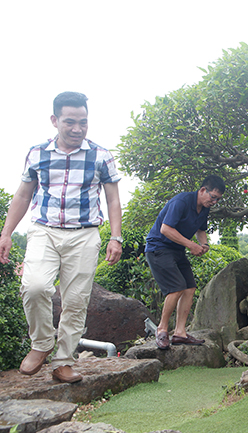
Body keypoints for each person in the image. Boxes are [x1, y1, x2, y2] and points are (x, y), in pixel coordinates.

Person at [0, 92, 123, 383]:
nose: (77, 128)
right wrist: (5, 233)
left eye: (83, 122)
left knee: (76, 300)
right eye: (70, 122)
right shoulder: (37, 153)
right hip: (44, 230)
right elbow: (23, 194)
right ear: (55, 120)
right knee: (35, 286)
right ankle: (41, 344)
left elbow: (113, 200)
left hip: (84, 234)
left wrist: (115, 237)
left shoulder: (101, 155)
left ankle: (64, 360)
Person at [145, 175, 225, 350]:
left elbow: (201, 230)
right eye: (213, 197)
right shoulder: (181, 201)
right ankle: (162, 330)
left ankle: (180, 333)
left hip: (177, 250)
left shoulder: (204, 208)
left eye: (218, 199)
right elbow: (165, 229)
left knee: (189, 287)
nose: (214, 202)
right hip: (158, 248)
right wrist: (191, 245)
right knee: (176, 287)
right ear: (203, 190)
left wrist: (203, 245)